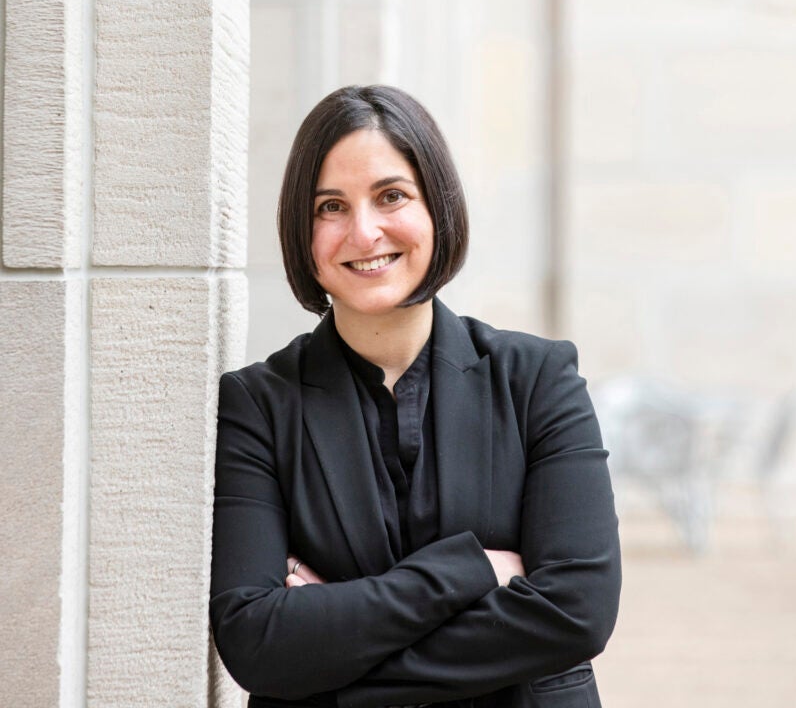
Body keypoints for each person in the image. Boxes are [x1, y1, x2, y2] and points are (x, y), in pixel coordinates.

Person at [210, 85, 621, 708]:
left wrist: (333, 672)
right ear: (302, 230)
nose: (364, 231)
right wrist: (475, 571)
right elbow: (256, 644)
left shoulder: (538, 379)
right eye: (330, 207)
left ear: (438, 208)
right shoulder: (258, 405)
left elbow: (577, 612)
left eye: (391, 195)